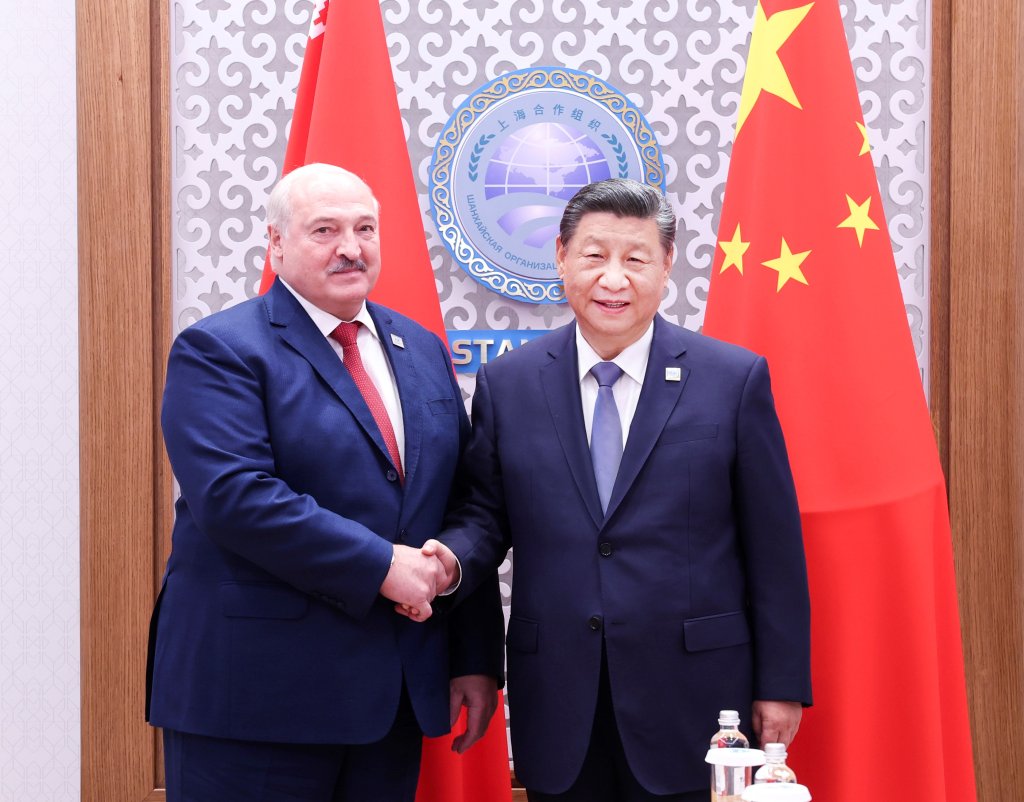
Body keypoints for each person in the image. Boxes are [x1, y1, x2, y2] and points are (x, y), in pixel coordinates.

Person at [423, 178, 812, 801]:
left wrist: (781, 682)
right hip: (558, 694)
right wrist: (452, 577)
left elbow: (774, 547)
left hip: (699, 699)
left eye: (635, 259)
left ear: (666, 268)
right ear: (559, 257)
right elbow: (484, 519)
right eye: (594, 255)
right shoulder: (509, 384)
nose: (614, 278)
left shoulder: (732, 380)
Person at [146, 163, 504, 802]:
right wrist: (381, 567)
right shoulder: (219, 350)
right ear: (276, 244)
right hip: (255, 702)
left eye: (365, 228)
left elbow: (463, 498)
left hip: (390, 701)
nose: (351, 247)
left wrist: (472, 654)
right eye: (325, 230)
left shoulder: (420, 348)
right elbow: (236, 498)